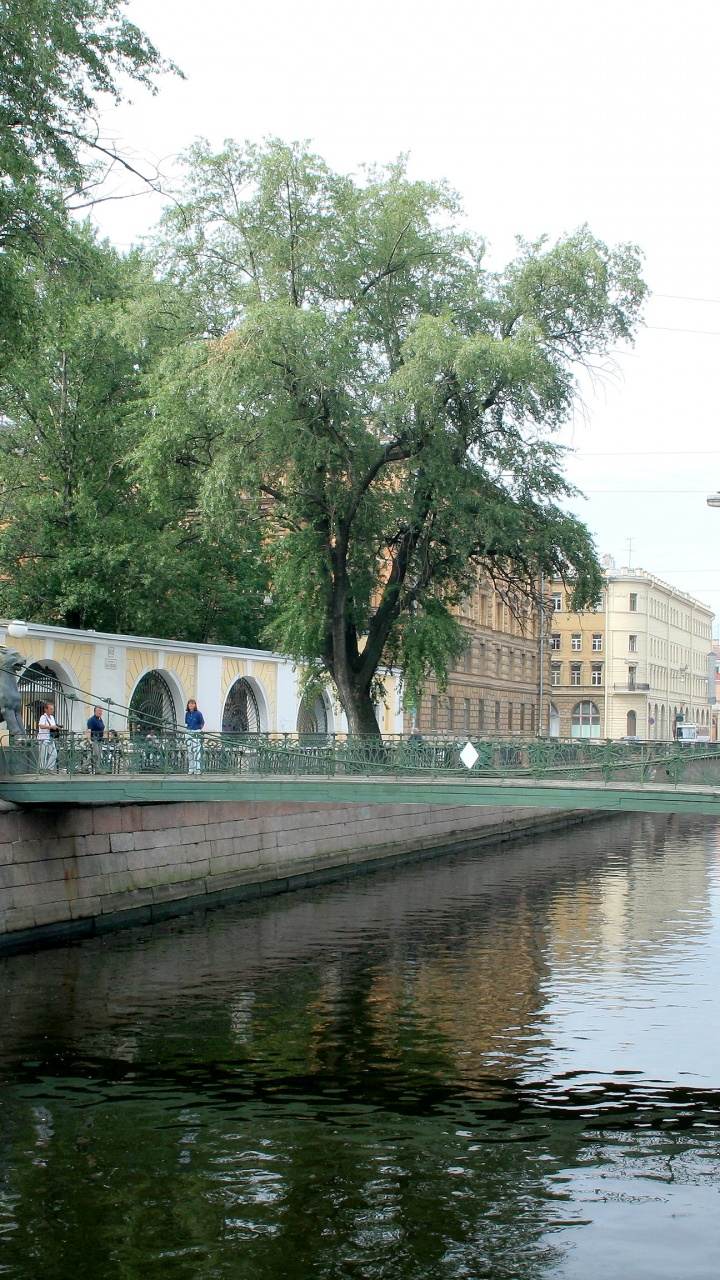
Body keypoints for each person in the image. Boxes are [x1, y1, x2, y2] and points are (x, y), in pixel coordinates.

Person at [38, 701, 60, 771]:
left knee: (54, 754)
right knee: (43, 755)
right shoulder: (43, 717)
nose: (52, 710)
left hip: (50, 738)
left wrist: (56, 727)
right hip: (43, 738)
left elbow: (52, 726)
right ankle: (42, 769)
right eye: (50, 709)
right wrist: (51, 727)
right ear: (46, 709)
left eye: (53, 709)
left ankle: (49, 768)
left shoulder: (52, 717)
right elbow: (41, 726)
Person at [185, 698, 205, 774]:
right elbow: (187, 723)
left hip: (196, 732)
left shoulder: (198, 713)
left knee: (196, 751)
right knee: (190, 752)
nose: (191, 705)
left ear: (195, 705)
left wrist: (198, 729)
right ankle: (191, 769)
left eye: (193, 703)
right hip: (189, 732)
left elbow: (202, 723)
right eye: (190, 703)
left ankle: (197, 769)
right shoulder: (187, 714)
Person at [86, 705, 105, 773]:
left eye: (101, 711)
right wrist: (89, 740)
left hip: (99, 740)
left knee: (97, 755)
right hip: (94, 740)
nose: (100, 712)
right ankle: (95, 768)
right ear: (95, 711)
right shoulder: (92, 720)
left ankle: (87, 767)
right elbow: (89, 730)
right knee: (96, 755)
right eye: (99, 711)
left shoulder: (100, 720)